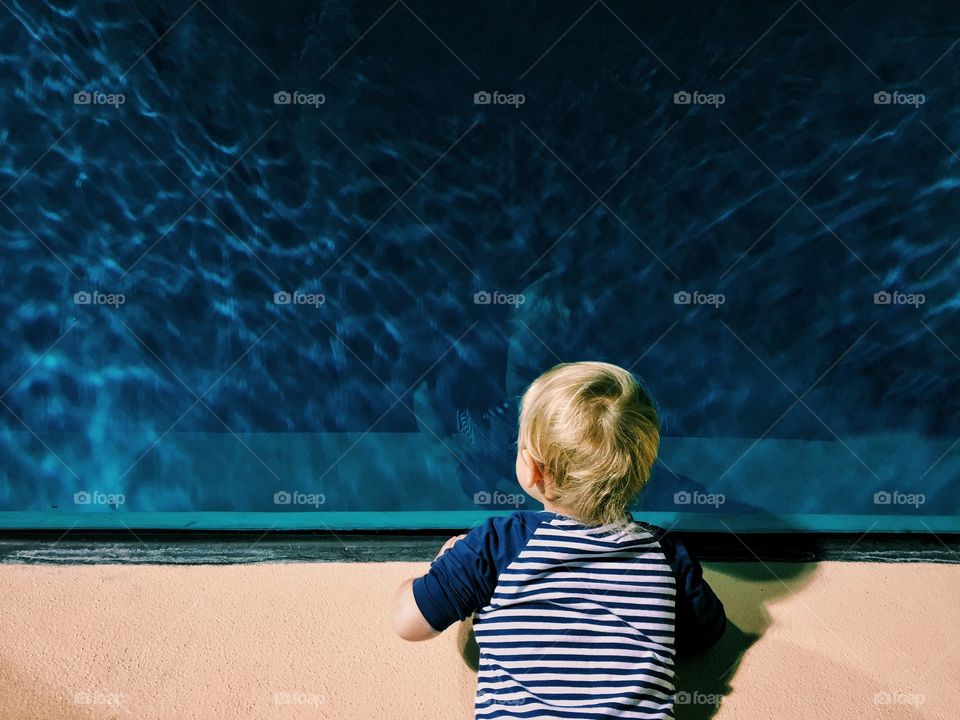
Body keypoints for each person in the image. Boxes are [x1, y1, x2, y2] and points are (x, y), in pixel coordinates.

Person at [391, 361, 726, 719]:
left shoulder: (498, 543)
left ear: (532, 469)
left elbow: (409, 623)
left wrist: (446, 562)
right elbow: (706, 633)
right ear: (642, 471)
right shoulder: (667, 555)